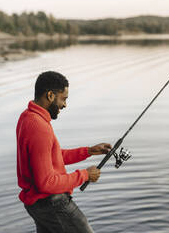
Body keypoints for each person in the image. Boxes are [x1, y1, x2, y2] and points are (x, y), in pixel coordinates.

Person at [16, 71, 111, 233]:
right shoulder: (39, 126)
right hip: (52, 204)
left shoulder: (28, 117)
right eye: (63, 98)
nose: (65, 105)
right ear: (50, 95)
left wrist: (88, 151)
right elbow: (46, 182)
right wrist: (85, 175)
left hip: (38, 205)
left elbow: (51, 157)